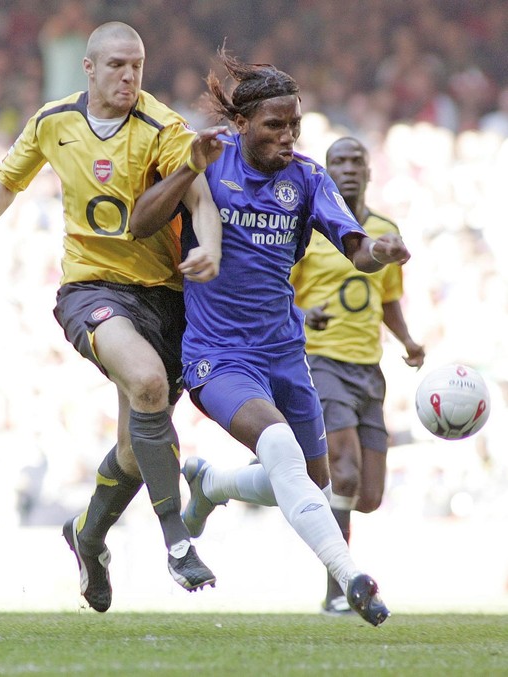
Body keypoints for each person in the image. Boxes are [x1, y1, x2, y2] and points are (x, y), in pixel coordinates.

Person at [0, 21, 228, 613]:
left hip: (164, 298)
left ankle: (87, 536)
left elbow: (197, 192)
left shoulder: (161, 126)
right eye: (118, 66)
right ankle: (177, 541)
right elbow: (6, 180)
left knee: (134, 450)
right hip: (91, 288)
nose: (129, 77)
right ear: (90, 68)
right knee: (148, 381)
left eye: (138, 66)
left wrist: (209, 246)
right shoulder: (54, 122)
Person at [129, 50, 411, 626]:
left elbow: (356, 248)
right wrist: (186, 169)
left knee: (310, 480)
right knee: (280, 449)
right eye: (275, 125)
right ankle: (350, 576)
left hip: (284, 353)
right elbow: (140, 223)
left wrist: (377, 253)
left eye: (295, 125)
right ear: (242, 124)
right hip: (217, 356)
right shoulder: (208, 160)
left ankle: (212, 483)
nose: (288, 137)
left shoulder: (307, 177)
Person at [290, 136, 425, 615]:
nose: (348, 168)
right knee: (343, 472)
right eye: (338, 161)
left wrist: (407, 340)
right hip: (322, 363)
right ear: (326, 171)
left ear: (370, 170)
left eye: (356, 161)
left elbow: (388, 298)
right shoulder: (310, 229)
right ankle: (338, 590)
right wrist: (306, 314)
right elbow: (281, 293)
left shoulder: (385, 230)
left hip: (370, 369)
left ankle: (272, 482)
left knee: (367, 496)